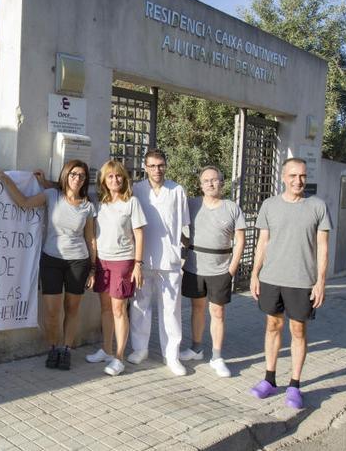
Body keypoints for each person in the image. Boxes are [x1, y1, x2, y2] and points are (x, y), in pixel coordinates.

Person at [0, 160, 96, 371]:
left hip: (78, 261)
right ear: (66, 174)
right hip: (52, 260)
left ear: (85, 180)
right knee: (51, 311)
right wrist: (5, 178)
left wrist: (93, 269)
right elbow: (24, 202)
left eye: (82, 176)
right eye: (74, 174)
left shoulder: (88, 206)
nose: (77, 178)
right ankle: (53, 347)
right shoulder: (51, 195)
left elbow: (91, 239)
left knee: (72, 308)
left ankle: (66, 349)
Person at [249, 157, 331, 409]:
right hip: (272, 278)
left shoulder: (317, 206)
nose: (298, 180)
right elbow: (262, 242)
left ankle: (295, 384)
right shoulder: (269, 205)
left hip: (302, 281)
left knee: (298, 331)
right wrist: (254, 273)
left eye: (303, 176)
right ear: (283, 177)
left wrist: (320, 282)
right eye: (293, 176)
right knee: (273, 325)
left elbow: (322, 247)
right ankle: (270, 380)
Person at [127, 149, 191, 376]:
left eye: (161, 165)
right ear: (145, 167)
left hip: (170, 259)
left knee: (171, 310)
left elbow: (183, 225)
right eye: (152, 166)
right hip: (143, 258)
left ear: (166, 165)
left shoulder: (177, 190)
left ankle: (171, 355)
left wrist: (182, 252)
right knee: (140, 305)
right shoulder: (136, 190)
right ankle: (140, 348)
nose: (157, 170)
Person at [179, 165, 246, 378]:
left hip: (220, 270)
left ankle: (217, 357)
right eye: (206, 180)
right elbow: (174, 225)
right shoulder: (191, 204)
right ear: (200, 185)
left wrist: (231, 270)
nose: (210, 183)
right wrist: (185, 244)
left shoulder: (232, 208)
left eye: (214, 179)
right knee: (197, 308)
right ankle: (196, 348)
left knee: (217, 312)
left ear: (221, 182)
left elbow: (240, 241)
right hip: (194, 267)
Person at [89, 159, 146, 376]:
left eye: (119, 175)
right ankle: (106, 349)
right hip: (102, 261)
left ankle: (119, 357)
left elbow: (140, 234)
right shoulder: (100, 203)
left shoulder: (131, 202)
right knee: (104, 308)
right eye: (110, 176)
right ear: (104, 180)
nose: (115, 179)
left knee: (119, 310)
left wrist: (137, 265)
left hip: (123, 262)